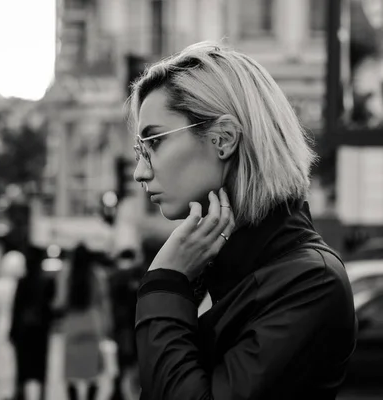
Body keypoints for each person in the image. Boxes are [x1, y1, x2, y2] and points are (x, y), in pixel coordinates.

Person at [127, 41, 357, 399]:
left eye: (153, 143)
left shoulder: (312, 281)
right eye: (140, 150)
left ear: (224, 138)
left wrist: (164, 284)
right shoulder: (211, 268)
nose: (141, 172)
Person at [58, 244, 111, 400]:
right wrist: (107, 324)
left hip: (72, 324)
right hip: (92, 323)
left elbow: (60, 300)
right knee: (93, 371)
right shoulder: (96, 274)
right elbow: (104, 301)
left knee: (71, 372)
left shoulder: (67, 273)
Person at [9, 246, 55, 400]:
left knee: (22, 364)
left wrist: (12, 330)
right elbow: (51, 308)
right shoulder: (46, 282)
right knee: (40, 364)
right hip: (41, 330)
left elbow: (16, 308)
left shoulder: (23, 282)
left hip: (24, 329)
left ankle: (20, 393)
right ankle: (42, 394)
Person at [108, 249, 143, 400]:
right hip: (132, 324)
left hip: (121, 324)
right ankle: (130, 390)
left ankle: (118, 391)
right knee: (133, 359)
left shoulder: (114, 276)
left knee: (121, 360)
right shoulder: (137, 276)